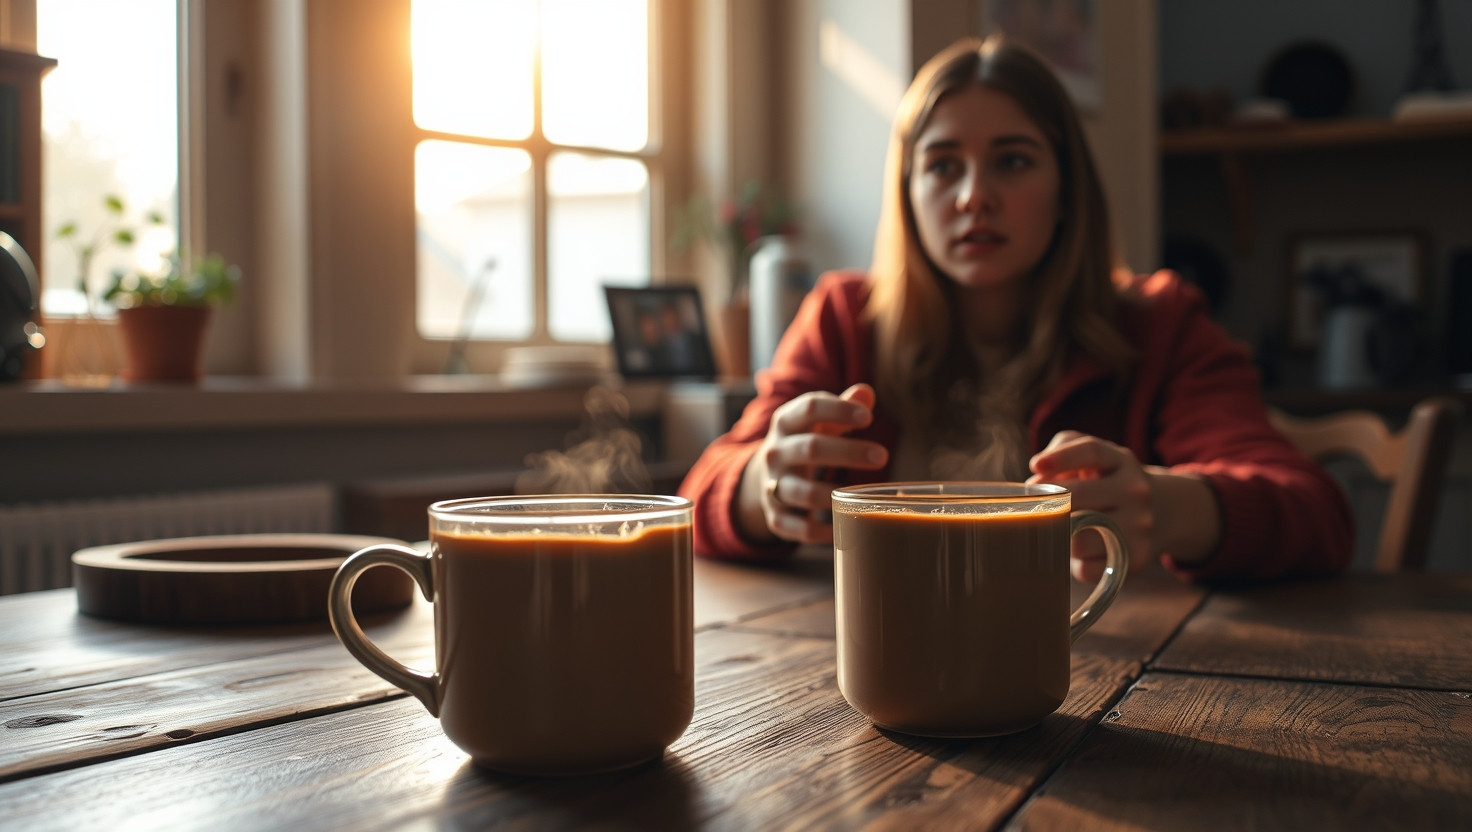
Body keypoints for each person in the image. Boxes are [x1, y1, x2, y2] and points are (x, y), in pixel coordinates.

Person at [677, 36, 1353, 584]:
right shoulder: (843, 318)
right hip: (870, 658)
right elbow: (702, 490)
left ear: (1067, 190)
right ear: (907, 194)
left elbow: (1315, 512)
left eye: (1013, 161)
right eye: (942, 166)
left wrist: (1165, 506)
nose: (974, 197)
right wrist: (763, 482)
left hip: (1103, 670)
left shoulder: (1157, 323)